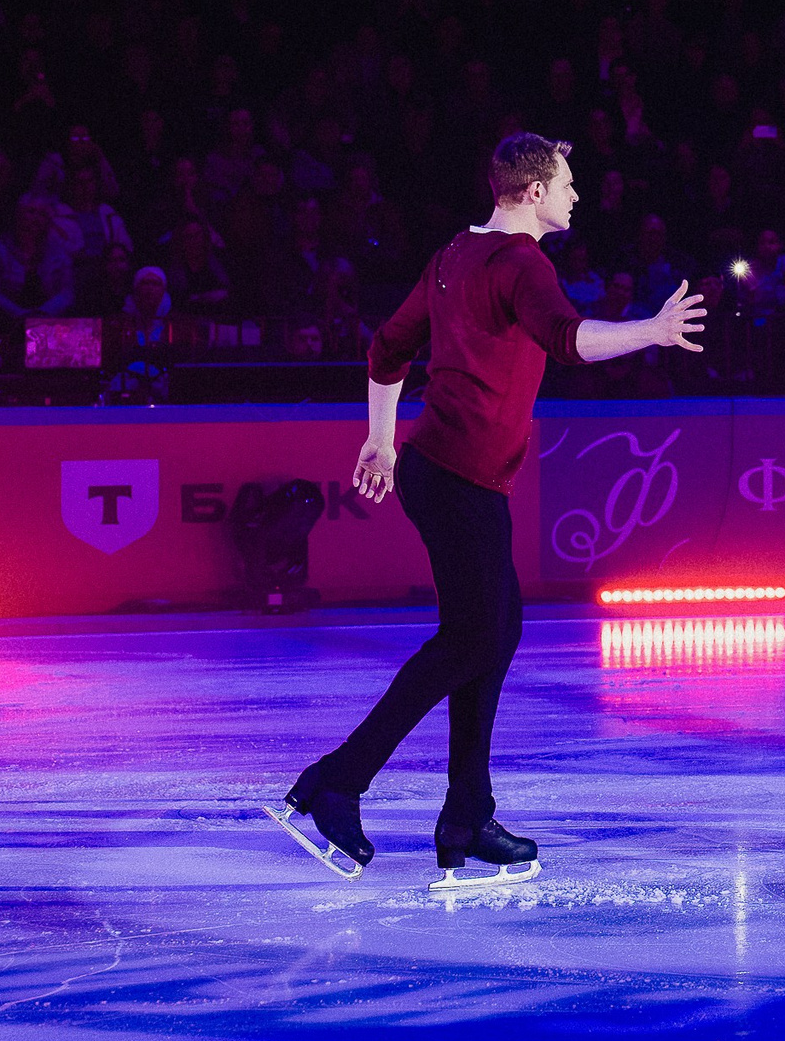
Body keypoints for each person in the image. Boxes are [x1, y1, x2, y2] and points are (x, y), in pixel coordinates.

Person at [270, 134, 704, 887]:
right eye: (567, 183)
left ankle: (466, 813)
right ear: (532, 193)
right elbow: (567, 340)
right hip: (461, 479)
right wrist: (653, 330)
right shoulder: (518, 263)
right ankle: (338, 780)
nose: (576, 195)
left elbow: (386, 348)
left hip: (445, 473)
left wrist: (383, 443)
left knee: (494, 631)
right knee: (473, 635)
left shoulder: (454, 255)